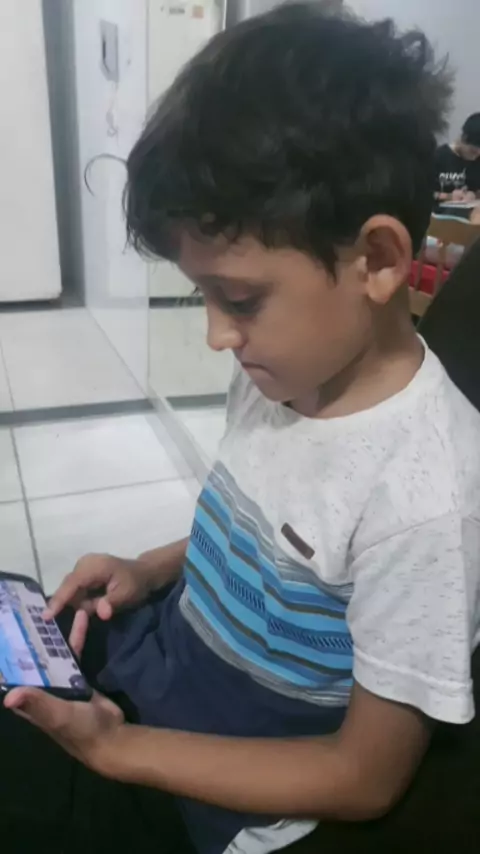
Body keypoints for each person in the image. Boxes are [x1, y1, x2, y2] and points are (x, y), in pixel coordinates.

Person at [3, 4, 480, 854]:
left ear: (376, 260)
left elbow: (364, 777)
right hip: (160, 659)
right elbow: (273, 535)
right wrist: (151, 569)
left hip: (211, 795)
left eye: (239, 298)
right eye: (204, 296)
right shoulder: (285, 370)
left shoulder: (428, 503)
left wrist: (117, 751)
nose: (218, 336)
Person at [435, 113, 480, 202]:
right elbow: (421, 193)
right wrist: (449, 196)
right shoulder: (438, 156)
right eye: (473, 151)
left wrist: (474, 194)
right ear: (463, 138)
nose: (477, 155)